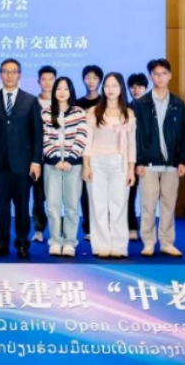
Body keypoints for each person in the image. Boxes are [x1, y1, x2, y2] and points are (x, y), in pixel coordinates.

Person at [134, 59, 185, 258]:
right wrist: (138, 161)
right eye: (156, 74)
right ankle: (148, 242)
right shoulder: (141, 104)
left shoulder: (178, 104)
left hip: (172, 163)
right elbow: (135, 135)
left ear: (169, 76)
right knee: (148, 204)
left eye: (163, 73)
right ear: (150, 76)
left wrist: (184, 161)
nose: (160, 77)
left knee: (168, 204)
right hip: (148, 163)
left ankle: (167, 243)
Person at [0, 59, 42, 259]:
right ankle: (1, 243)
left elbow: (37, 134)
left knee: (22, 206)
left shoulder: (30, 101)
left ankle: (23, 243)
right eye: (6, 72)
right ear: (0, 75)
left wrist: (36, 161)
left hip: (23, 164)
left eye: (13, 72)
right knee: (1, 207)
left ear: (19, 75)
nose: (9, 75)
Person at [83, 72, 136, 259]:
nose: (110, 89)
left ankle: (119, 246)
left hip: (120, 164)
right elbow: (87, 141)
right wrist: (86, 166)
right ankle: (101, 245)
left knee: (119, 205)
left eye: (114, 86)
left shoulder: (128, 113)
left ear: (121, 88)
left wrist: (131, 170)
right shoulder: (93, 111)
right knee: (98, 205)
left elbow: (132, 145)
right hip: (97, 163)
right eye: (107, 86)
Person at [42, 77, 87, 258]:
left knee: (71, 206)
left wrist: (70, 159)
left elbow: (82, 136)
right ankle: (55, 241)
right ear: (54, 92)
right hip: (51, 164)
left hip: (73, 164)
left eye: (65, 89)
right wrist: (55, 158)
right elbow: (44, 137)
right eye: (58, 89)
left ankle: (70, 242)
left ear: (71, 92)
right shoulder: (46, 113)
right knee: (52, 206)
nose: (62, 92)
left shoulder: (78, 112)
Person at [76, 65, 103, 240]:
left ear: (100, 80)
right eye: (87, 77)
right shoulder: (77, 103)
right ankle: (88, 227)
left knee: (101, 192)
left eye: (94, 78)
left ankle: (102, 227)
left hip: (101, 152)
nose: (91, 81)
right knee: (85, 193)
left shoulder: (105, 102)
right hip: (82, 153)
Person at [32, 65, 56, 243]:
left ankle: (58, 231)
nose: (47, 83)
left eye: (51, 79)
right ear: (38, 81)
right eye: (44, 79)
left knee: (57, 197)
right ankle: (39, 229)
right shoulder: (32, 103)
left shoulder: (62, 101)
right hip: (38, 157)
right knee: (38, 196)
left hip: (58, 157)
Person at [126, 72, 150, 241]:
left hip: (148, 160)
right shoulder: (125, 109)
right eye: (133, 87)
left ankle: (147, 229)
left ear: (146, 88)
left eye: (139, 86)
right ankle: (132, 226)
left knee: (148, 198)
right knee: (129, 196)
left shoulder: (153, 109)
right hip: (129, 160)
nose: (135, 90)